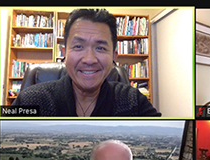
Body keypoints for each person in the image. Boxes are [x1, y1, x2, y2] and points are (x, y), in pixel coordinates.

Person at [12, 8, 159, 117]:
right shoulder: (29, 99)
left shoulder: (134, 101)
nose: (89, 59)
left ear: (114, 56)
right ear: (64, 54)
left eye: (100, 48)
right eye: (78, 47)